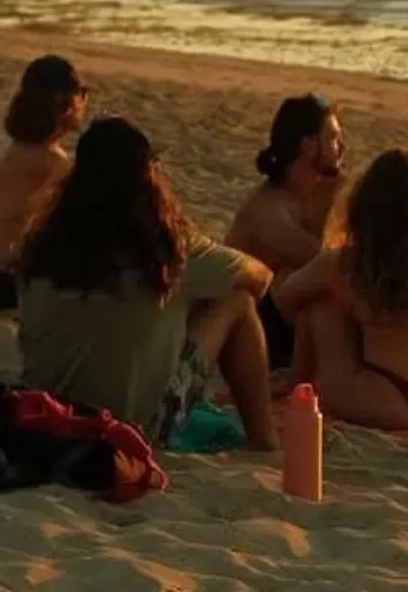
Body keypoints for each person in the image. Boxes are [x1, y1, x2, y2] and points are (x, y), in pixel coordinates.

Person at [16, 117, 277, 449]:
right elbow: (261, 278)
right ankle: (265, 441)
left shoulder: (41, 245)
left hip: (45, 413)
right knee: (237, 300)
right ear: (147, 177)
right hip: (134, 428)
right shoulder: (169, 250)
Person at [273, 148, 408, 430]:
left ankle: (295, 387)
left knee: (318, 306)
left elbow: (284, 299)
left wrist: (345, 308)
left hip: (394, 401)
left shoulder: (345, 262)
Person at [226, 94, 346, 366]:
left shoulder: (303, 196)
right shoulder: (267, 209)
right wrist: (327, 201)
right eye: (334, 138)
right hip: (253, 325)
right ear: (308, 145)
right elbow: (319, 261)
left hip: (280, 317)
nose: (342, 147)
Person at [0, 55, 88, 304]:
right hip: (7, 284)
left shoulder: (20, 152)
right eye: (82, 93)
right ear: (67, 102)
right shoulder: (47, 163)